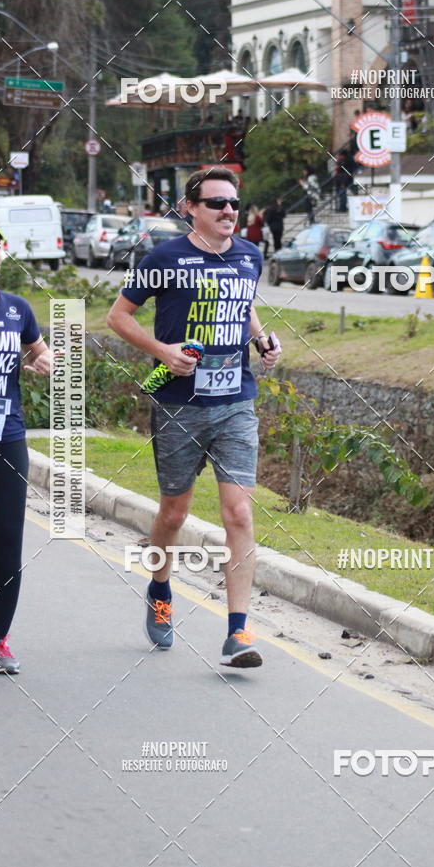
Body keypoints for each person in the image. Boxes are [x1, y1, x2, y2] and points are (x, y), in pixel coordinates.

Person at [107, 168, 281, 668]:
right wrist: (162, 352)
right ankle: (160, 588)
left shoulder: (249, 256)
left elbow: (244, 305)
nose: (229, 211)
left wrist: (262, 340)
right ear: (190, 209)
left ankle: (239, 631)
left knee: (239, 513)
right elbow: (118, 317)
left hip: (236, 402)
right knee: (173, 515)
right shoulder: (163, 259)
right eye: (217, 203)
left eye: (234, 203)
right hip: (179, 404)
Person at [0, 213, 52, 674]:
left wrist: (44, 361)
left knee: (5, 544)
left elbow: (40, 351)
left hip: (6, 440)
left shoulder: (17, 309)